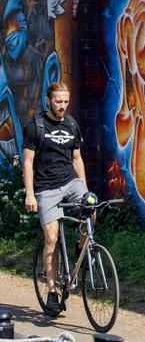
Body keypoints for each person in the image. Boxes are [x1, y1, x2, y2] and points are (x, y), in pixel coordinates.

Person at [22, 81, 88, 316]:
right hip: (46, 188)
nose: (62, 106)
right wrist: (30, 193)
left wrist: (85, 189)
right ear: (47, 101)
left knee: (92, 208)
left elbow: (77, 158)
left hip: (70, 182)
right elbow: (28, 162)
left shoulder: (71, 124)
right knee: (51, 239)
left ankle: (82, 252)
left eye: (66, 102)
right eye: (58, 102)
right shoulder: (35, 126)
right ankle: (52, 293)